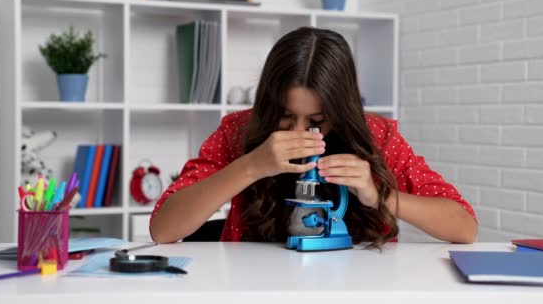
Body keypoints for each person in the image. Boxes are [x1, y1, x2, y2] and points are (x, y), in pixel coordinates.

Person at [150, 27, 478, 246]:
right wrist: (251, 166)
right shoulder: (237, 130)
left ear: (342, 110)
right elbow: (163, 229)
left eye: (317, 120)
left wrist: (379, 195)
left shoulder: (378, 135)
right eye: (286, 115)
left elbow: (464, 227)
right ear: (268, 103)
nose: (298, 132)